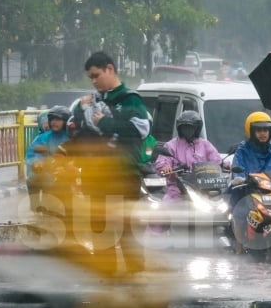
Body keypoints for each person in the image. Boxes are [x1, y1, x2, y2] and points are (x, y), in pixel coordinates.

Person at [66, 51, 153, 276]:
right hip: (95, 175)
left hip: (124, 174)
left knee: (127, 226)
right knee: (99, 226)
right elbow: (75, 127)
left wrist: (106, 122)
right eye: (90, 78)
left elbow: (141, 129)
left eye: (96, 75)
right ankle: (107, 273)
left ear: (110, 69)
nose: (94, 82)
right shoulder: (91, 102)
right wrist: (79, 110)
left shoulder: (130, 99)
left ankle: (135, 274)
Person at [229, 111, 271, 248]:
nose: (263, 133)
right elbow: (238, 168)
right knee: (239, 213)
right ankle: (239, 246)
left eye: (266, 129)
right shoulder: (242, 150)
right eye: (258, 130)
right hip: (248, 192)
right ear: (250, 131)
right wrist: (239, 179)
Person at [154, 110, 223, 203]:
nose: (187, 130)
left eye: (190, 127)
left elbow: (216, 160)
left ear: (197, 129)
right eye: (184, 127)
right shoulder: (171, 145)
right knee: (164, 209)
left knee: (221, 208)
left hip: (203, 190)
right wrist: (165, 167)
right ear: (180, 128)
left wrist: (224, 165)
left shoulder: (205, 144)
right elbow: (162, 161)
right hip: (177, 190)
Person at [24, 105, 71, 212]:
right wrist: (37, 162)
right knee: (32, 181)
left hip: (67, 173)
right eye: (52, 119)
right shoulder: (44, 137)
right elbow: (32, 153)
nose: (54, 122)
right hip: (47, 174)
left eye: (58, 119)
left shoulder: (72, 137)